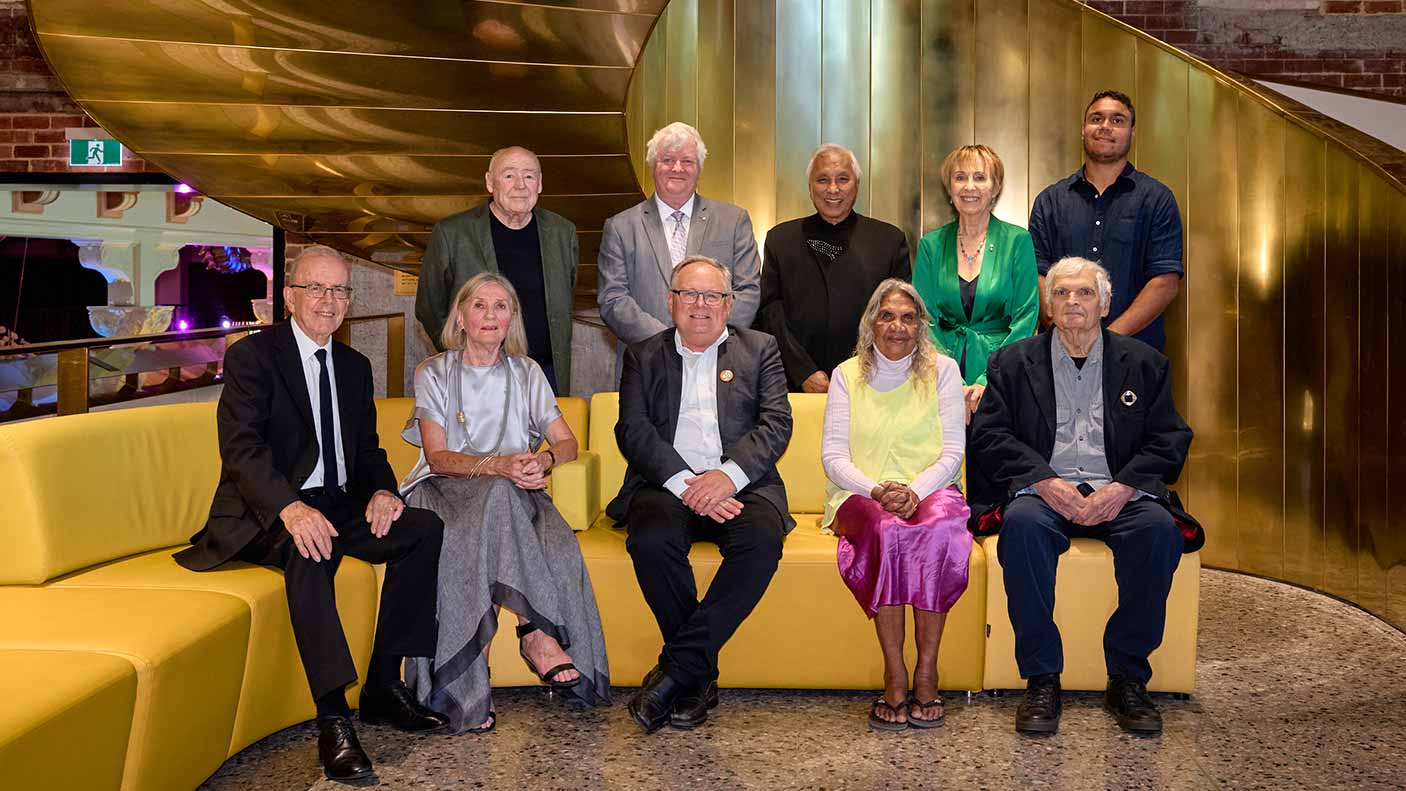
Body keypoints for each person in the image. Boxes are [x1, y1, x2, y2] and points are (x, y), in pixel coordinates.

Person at [175, 245, 449, 783]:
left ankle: (382, 687)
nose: (329, 301)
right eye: (317, 289)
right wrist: (291, 508)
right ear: (290, 296)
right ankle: (333, 719)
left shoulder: (352, 366)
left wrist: (383, 492)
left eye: (340, 290)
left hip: (337, 502)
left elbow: (368, 451)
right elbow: (243, 451)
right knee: (310, 546)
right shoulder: (253, 357)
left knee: (422, 528)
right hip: (265, 510)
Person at [968, 256, 1201, 737]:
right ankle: (1041, 678)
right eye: (1062, 294)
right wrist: (1045, 481)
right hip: (1044, 491)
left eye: (1085, 293)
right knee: (1023, 528)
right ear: (1049, 305)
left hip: (1119, 492)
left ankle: (1128, 678)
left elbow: (1170, 437)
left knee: (1158, 533)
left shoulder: (1143, 363)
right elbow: (990, 436)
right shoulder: (1012, 363)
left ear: (1105, 303)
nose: (1073, 302)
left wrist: (1124, 488)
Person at [400, 272, 609, 734]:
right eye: (479, 306)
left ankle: (475, 687)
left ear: (512, 318)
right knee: (498, 496)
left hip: (514, 492)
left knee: (532, 523)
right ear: (460, 316)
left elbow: (568, 442)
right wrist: (498, 466)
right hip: (444, 492)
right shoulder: (433, 372)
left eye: (501, 307)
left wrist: (545, 460)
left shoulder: (527, 372)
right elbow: (436, 456)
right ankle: (536, 633)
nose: (490, 316)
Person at [609, 255, 792, 733]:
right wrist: (687, 483)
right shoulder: (643, 354)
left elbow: (777, 424)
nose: (700, 305)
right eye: (689, 293)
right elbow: (632, 429)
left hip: (741, 486)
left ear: (729, 304)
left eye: (712, 295)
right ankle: (697, 677)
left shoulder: (761, 349)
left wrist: (726, 477)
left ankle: (675, 674)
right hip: (667, 486)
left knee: (760, 543)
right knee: (649, 540)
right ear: (670, 302)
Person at [820, 279, 971, 732]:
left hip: (932, 489)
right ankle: (895, 671)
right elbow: (833, 458)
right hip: (861, 495)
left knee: (937, 529)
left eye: (908, 317)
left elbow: (952, 454)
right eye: (887, 316)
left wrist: (914, 492)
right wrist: (878, 491)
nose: (897, 327)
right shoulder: (847, 374)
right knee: (887, 529)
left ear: (921, 325)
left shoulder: (943, 371)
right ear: (871, 323)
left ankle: (927, 669)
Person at [597, 122, 761, 380]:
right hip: (647, 365)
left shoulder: (734, 221)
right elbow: (613, 299)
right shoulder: (620, 227)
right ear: (652, 166)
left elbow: (748, 291)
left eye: (687, 161)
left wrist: (706, 339)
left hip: (719, 364)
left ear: (699, 169)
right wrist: (668, 343)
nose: (677, 168)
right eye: (668, 160)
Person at [1028, 90, 1184, 351]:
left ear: (1132, 132)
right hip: (1058, 355)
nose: (1105, 127)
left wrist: (1105, 341)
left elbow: (1165, 282)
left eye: (1118, 120)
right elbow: (1036, 275)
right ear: (1083, 129)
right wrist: (1069, 337)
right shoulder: (1050, 200)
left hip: (1133, 354)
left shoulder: (1157, 199)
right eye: (1096, 119)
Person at [415, 146, 579, 394]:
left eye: (529, 176)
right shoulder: (453, 233)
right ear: (490, 182)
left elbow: (567, 296)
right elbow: (429, 307)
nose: (521, 185)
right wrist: (465, 355)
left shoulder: (563, 233)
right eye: (509, 175)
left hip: (546, 374)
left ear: (540, 184)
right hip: (477, 372)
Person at [755, 144, 911, 392]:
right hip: (794, 384)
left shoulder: (889, 241)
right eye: (822, 180)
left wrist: (861, 369)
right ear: (810, 187)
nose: (833, 189)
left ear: (857, 185)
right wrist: (802, 371)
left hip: (870, 380)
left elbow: (898, 316)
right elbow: (770, 313)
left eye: (843, 179)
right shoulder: (781, 240)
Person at [913, 144, 1039, 422]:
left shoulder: (1018, 241)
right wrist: (950, 380)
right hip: (938, 380)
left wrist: (987, 379)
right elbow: (923, 319)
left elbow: (1026, 319)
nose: (969, 186)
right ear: (949, 187)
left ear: (995, 187)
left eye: (980, 177)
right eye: (960, 177)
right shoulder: (930, 246)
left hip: (1003, 377)